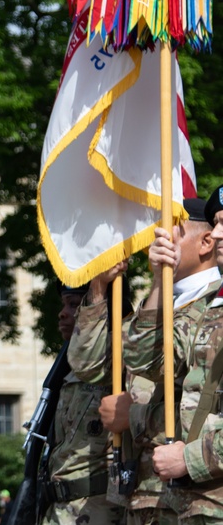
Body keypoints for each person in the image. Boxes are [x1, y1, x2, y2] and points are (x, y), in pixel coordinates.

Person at [77, 198, 219, 525]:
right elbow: (107, 362)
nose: (157, 238)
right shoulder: (161, 303)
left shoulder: (213, 306)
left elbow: (198, 403)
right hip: (147, 494)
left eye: (172, 230)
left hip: (195, 493)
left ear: (205, 242)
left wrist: (136, 416)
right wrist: (105, 287)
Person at [124, 185, 223, 522]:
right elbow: (143, 362)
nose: (218, 232)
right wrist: (157, 280)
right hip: (188, 505)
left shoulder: (210, 303)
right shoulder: (214, 310)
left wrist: (191, 458)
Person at [43, 273, 126, 525]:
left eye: (74, 304)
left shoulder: (117, 356)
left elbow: (92, 361)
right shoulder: (65, 368)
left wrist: (98, 288)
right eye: (63, 304)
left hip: (97, 509)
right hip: (59, 507)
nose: (63, 313)